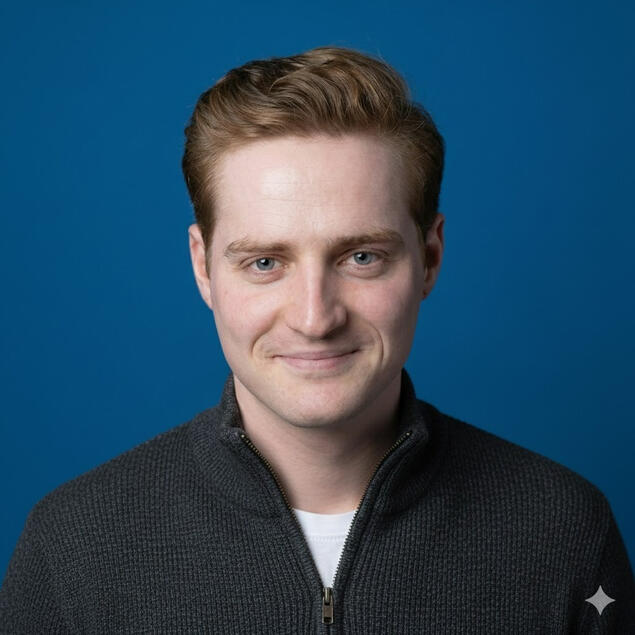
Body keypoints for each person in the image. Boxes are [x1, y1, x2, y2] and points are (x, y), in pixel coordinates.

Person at [1, 45, 633, 634]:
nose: (314, 317)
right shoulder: (71, 548)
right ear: (203, 268)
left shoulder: (567, 532)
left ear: (430, 258)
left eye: (362, 257)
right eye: (264, 262)